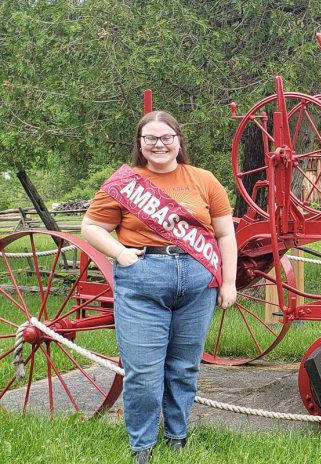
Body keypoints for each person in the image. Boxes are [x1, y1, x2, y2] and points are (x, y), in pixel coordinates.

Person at [81, 111, 237, 463]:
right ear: (140, 144)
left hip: (198, 280)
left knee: (184, 366)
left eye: (166, 137)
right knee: (143, 371)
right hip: (143, 278)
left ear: (178, 140)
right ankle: (142, 446)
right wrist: (120, 253)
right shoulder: (125, 183)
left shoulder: (204, 180)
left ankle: (177, 436)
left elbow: (225, 233)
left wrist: (228, 281)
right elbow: (89, 226)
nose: (159, 144)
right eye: (150, 138)